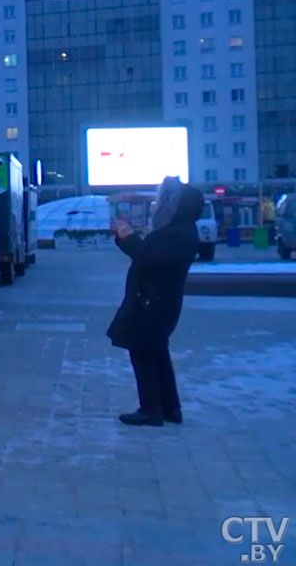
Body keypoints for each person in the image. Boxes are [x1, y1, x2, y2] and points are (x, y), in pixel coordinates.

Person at [106, 177, 203, 426]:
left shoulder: (179, 234)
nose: (158, 204)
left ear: (176, 206)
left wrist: (128, 238)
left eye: (164, 200)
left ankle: (151, 409)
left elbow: (150, 259)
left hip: (154, 303)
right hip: (155, 301)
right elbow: (149, 257)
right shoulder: (178, 230)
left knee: (143, 352)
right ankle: (170, 408)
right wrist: (127, 239)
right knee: (156, 352)